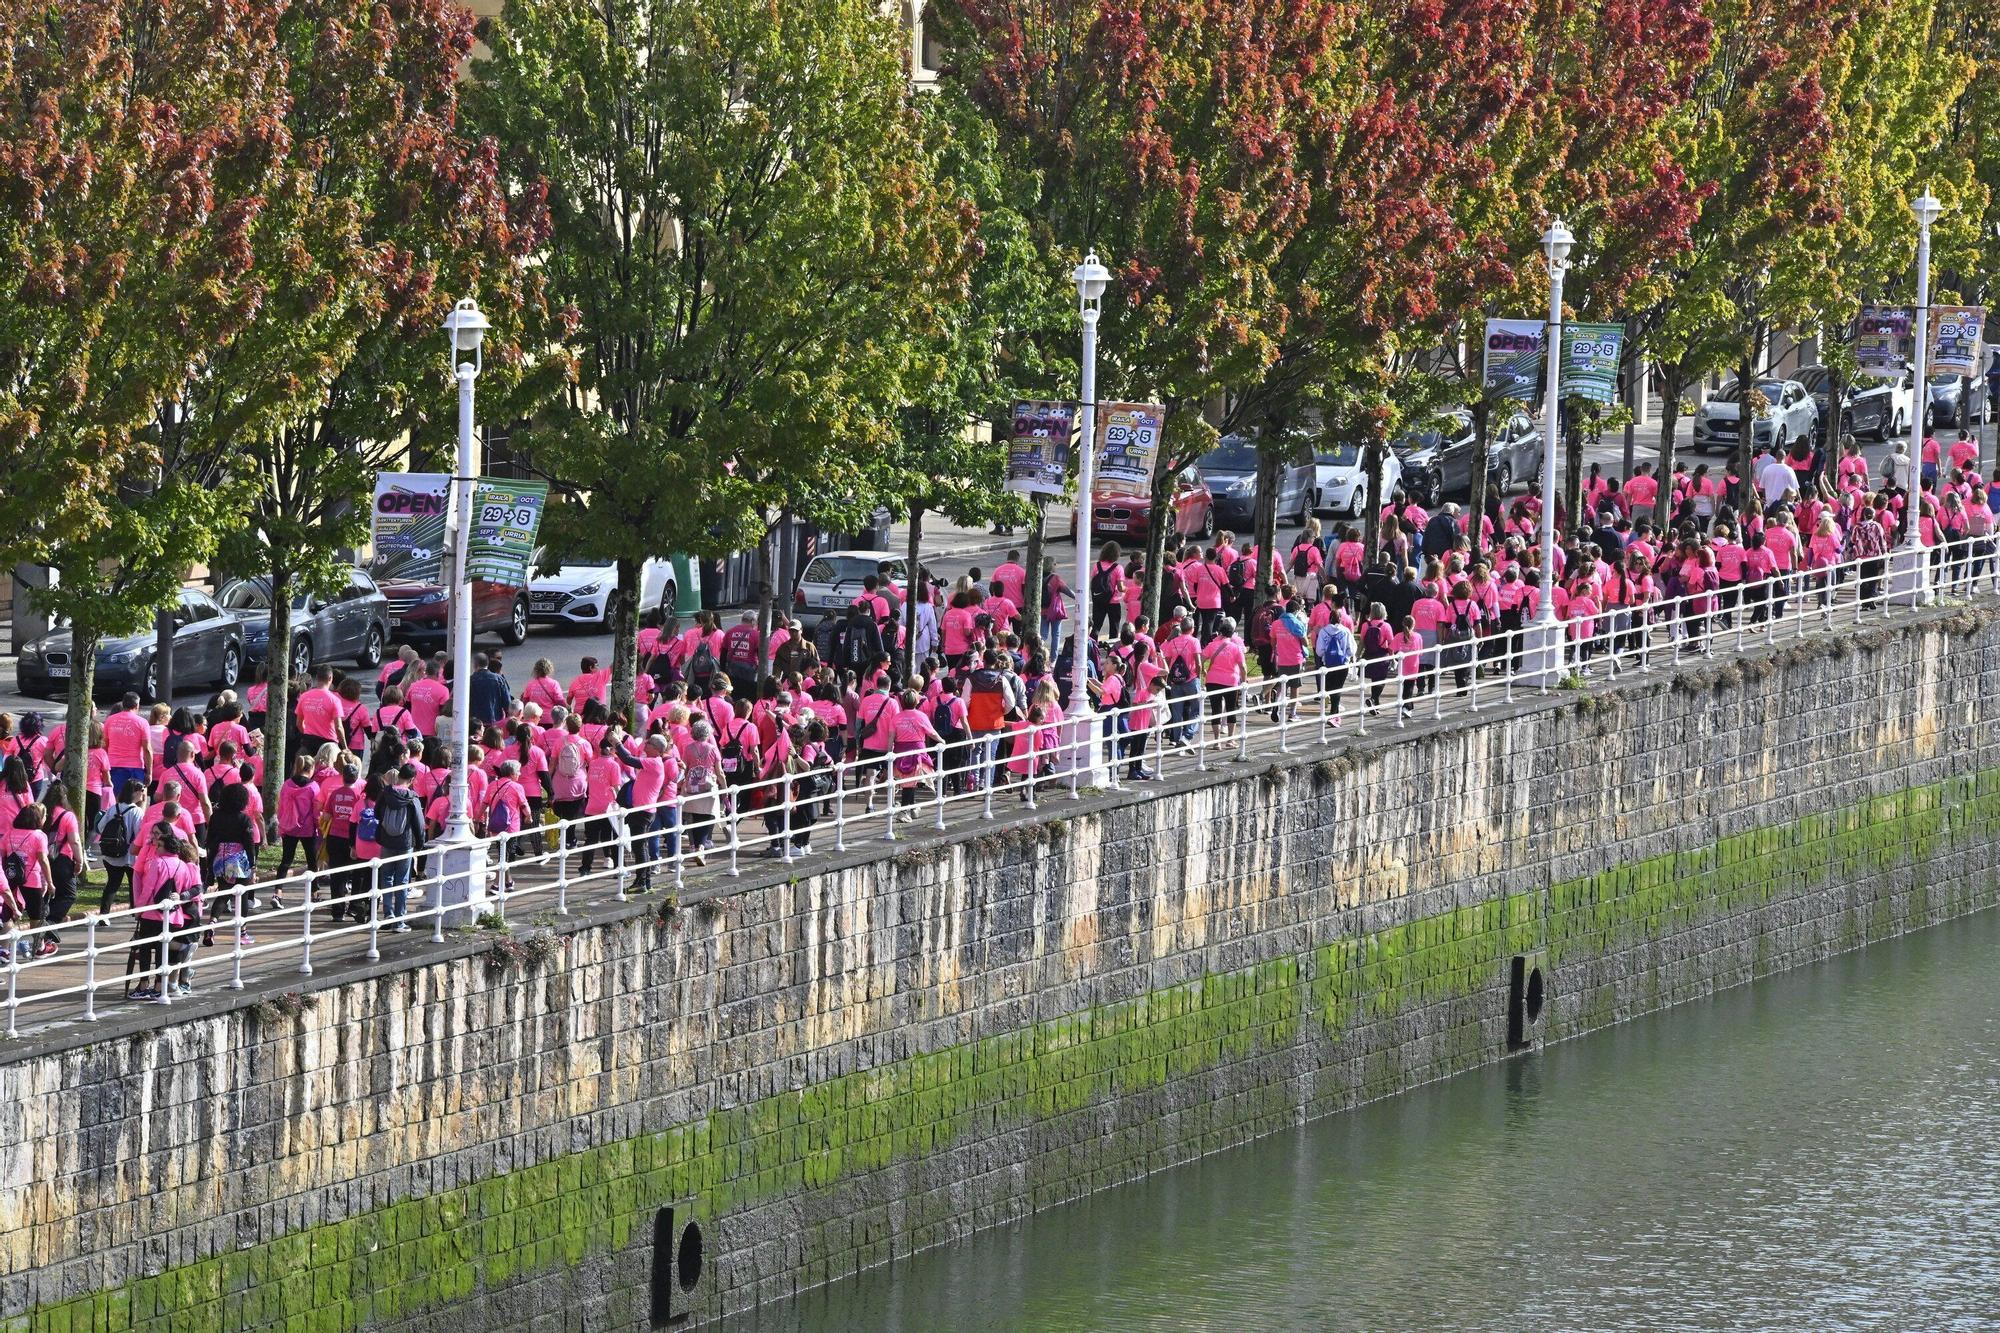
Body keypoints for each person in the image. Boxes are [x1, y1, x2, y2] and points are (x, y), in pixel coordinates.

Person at [373, 765, 426, 930]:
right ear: (412, 780)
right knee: (402, 880)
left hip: (387, 840)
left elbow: (376, 813)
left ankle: (388, 915)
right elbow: (419, 823)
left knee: (386, 877)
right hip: (405, 842)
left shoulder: (386, 793)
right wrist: (420, 844)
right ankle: (399, 920)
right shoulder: (412, 798)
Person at [469, 652, 512, 726]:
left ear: (475, 665)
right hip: (495, 720)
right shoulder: (499, 679)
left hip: (475, 722)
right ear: (487, 664)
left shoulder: (470, 680)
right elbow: (507, 702)